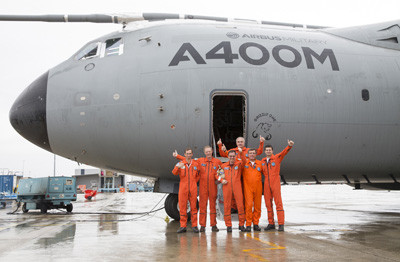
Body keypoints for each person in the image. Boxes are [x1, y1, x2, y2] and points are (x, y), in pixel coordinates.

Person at [173, 146, 222, 232]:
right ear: (204, 153)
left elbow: (222, 170)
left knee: (213, 206)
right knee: (202, 207)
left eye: (209, 151)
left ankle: (213, 225)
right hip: (202, 187)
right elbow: (187, 159)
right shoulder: (200, 161)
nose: (208, 153)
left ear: (212, 151)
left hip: (212, 187)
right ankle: (202, 225)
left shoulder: (217, 162)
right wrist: (178, 157)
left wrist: (220, 180)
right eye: (206, 152)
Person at [262, 140, 294, 232]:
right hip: (267, 183)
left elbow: (284, 153)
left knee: (278, 203)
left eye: (270, 150)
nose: (268, 151)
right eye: (267, 150)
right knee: (268, 204)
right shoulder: (263, 161)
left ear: (272, 151)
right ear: (265, 151)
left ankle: (281, 224)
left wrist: (289, 146)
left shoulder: (276, 158)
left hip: (275, 182)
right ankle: (271, 223)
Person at [172, 148, 200, 233]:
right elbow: (174, 172)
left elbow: (199, 174)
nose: (188, 155)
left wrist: (194, 182)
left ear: (192, 154)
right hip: (183, 187)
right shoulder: (180, 163)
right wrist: (177, 167)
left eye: (190, 153)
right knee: (182, 207)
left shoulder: (195, 164)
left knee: (194, 207)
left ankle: (194, 226)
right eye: (187, 153)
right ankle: (183, 226)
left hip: (193, 187)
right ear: (184, 154)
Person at [218, 148, 246, 232]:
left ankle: (241, 225)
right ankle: (228, 226)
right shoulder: (223, 166)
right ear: (228, 157)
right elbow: (217, 175)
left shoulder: (239, 164)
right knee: (227, 206)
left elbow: (244, 161)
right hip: (227, 187)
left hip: (237, 188)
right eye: (230, 156)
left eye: (233, 156)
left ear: (235, 156)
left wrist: (241, 153)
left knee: (240, 206)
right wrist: (222, 180)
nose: (232, 158)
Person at [241, 148, 263, 232]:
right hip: (248, 188)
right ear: (248, 155)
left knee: (257, 206)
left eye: (253, 153)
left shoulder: (260, 163)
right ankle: (248, 224)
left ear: (256, 154)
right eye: (250, 153)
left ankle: (256, 224)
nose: (252, 155)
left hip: (258, 187)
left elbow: (266, 172)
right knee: (249, 206)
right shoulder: (244, 164)